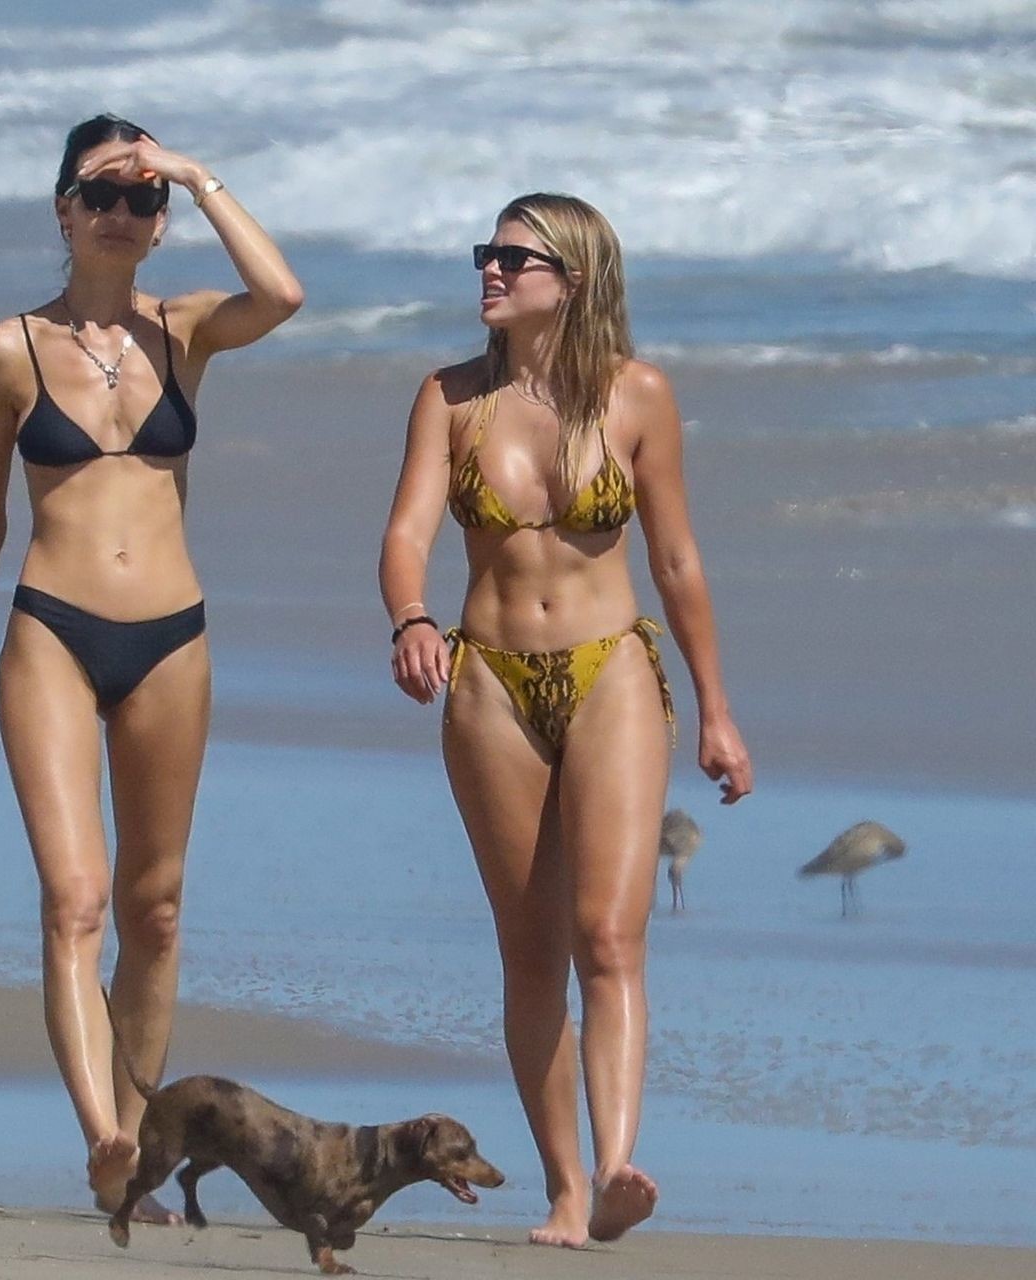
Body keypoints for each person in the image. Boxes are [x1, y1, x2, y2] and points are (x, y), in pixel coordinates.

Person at [0, 114, 302, 1220]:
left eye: (145, 199)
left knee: (157, 907)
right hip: (50, 630)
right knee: (75, 898)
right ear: (63, 210)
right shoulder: (8, 349)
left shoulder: (184, 331)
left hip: (171, 637)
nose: (123, 212)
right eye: (101, 192)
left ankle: (136, 1145)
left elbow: (282, 295)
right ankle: (101, 1129)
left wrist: (195, 173)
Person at [378, 193, 751, 1247]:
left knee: (609, 933)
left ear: (573, 280)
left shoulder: (638, 395)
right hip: (489, 680)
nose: (490, 271)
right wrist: (411, 617)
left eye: (514, 258)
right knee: (532, 949)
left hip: (611, 669)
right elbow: (404, 534)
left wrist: (718, 711)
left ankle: (620, 1162)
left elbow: (676, 559)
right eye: (485, 255)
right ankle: (567, 1188)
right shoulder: (450, 398)